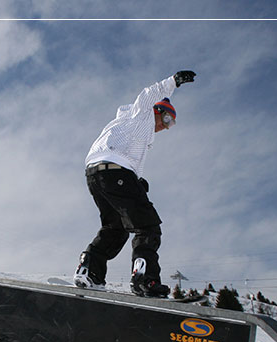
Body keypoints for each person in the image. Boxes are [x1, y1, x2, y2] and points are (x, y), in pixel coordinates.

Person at [73, 70, 197, 297]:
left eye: (170, 125)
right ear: (158, 111)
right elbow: (150, 94)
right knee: (147, 227)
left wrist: (138, 182)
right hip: (114, 170)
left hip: (97, 175)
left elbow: (128, 157)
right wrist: (173, 82)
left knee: (116, 228)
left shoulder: (129, 131)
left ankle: (89, 271)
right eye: (167, 119)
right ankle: (144, 280)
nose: (165, 127)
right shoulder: (141, 115)